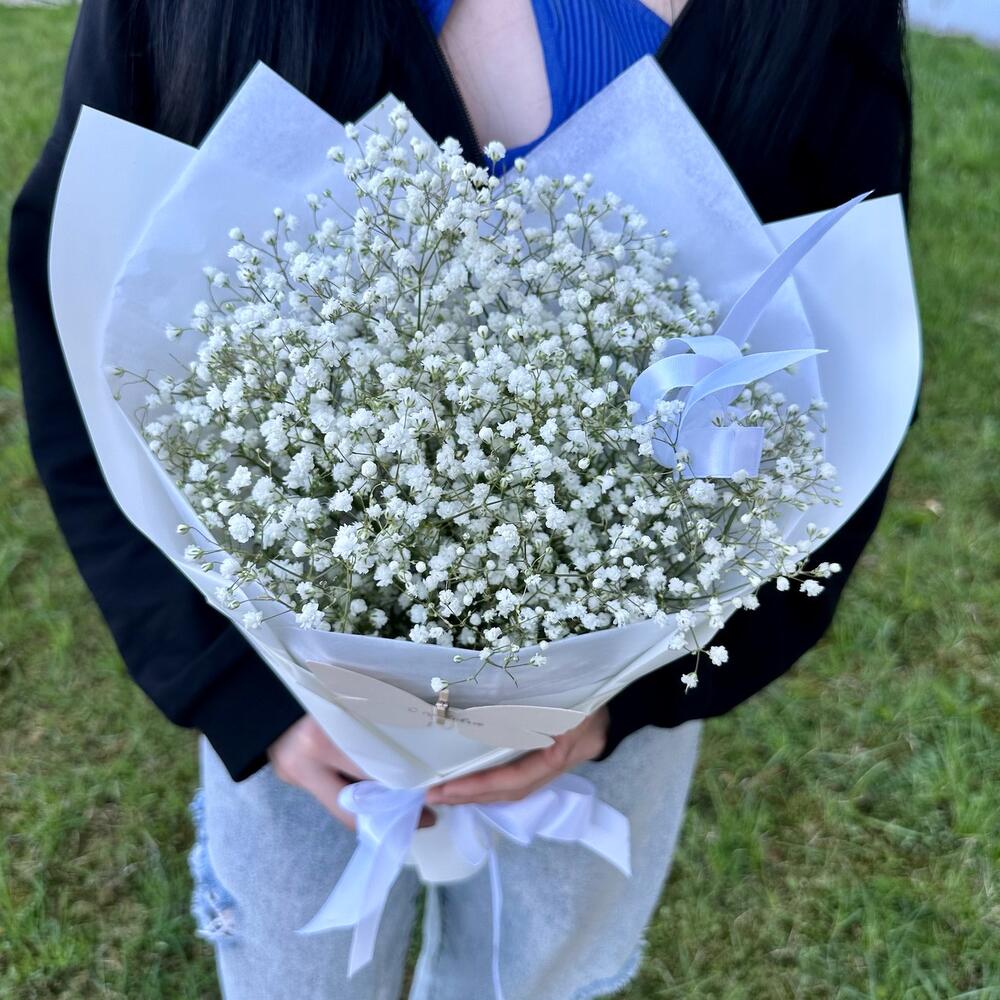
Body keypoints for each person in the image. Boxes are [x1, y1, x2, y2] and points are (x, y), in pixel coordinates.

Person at [9, 1, 912, 996]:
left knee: (546, 964)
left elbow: (848, 339)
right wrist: (242, 691)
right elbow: (82, 308)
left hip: (620, 687)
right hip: (289, 695)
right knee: (296, 965)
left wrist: (626, 703)